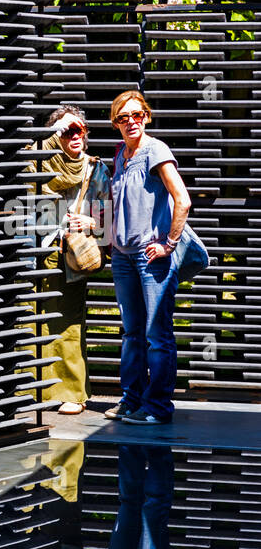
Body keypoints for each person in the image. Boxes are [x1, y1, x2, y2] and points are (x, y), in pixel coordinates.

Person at [104, 90, 193, 425]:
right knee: (132, 333)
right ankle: (132, 400)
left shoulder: (156, 150)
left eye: (137, 115)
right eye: (123, 117)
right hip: (124, 258)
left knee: (157, 334)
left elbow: (182, 200)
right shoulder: (120, 156)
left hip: (150, 257)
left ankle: (157, 407)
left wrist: (168, 244)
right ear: (115, 123)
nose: (131, 122)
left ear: (146, 116)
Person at [26, 106, 110, 414]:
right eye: (67, 131)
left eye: (80, 130)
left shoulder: (94, 169)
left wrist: (89, 222)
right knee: (31, 322)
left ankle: (73, 393)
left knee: (68, 324)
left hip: (69, 254)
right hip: (34, 253)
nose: (75, 136)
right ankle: (35, 391)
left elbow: (108, 219)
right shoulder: (36, 165)